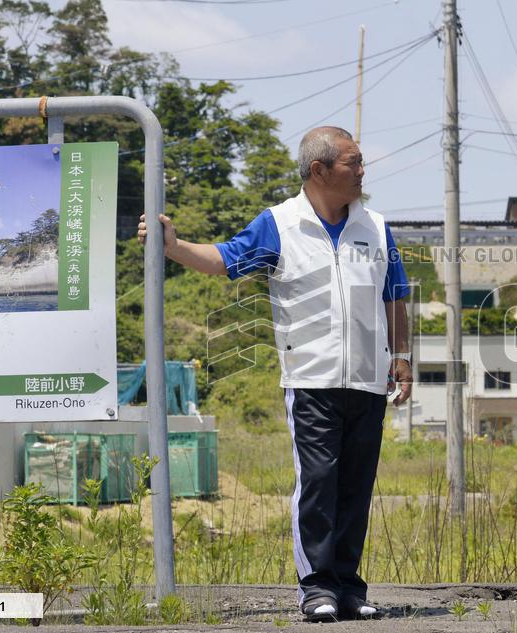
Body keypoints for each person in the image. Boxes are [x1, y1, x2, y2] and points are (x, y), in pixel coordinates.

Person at [138, 126, 412, 621]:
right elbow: (224, 260)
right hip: (311, 380)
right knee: (319, 481)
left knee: (356, 485)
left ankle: (349, 587)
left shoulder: (375, 225)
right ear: (320, 170)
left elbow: (395, 293)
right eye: (354, 162)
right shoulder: (280, 225)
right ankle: (316, 587)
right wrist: (173, 246)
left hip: (369, 381)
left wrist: (403, 358)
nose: (362, 170)